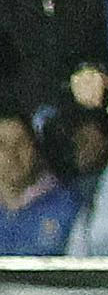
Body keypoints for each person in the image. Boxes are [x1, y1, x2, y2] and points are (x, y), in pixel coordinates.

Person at [0, 107, 76, 254]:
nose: (12, 154)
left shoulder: (67, 206)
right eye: (2, 145)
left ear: (35, 148)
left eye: (21, 143)